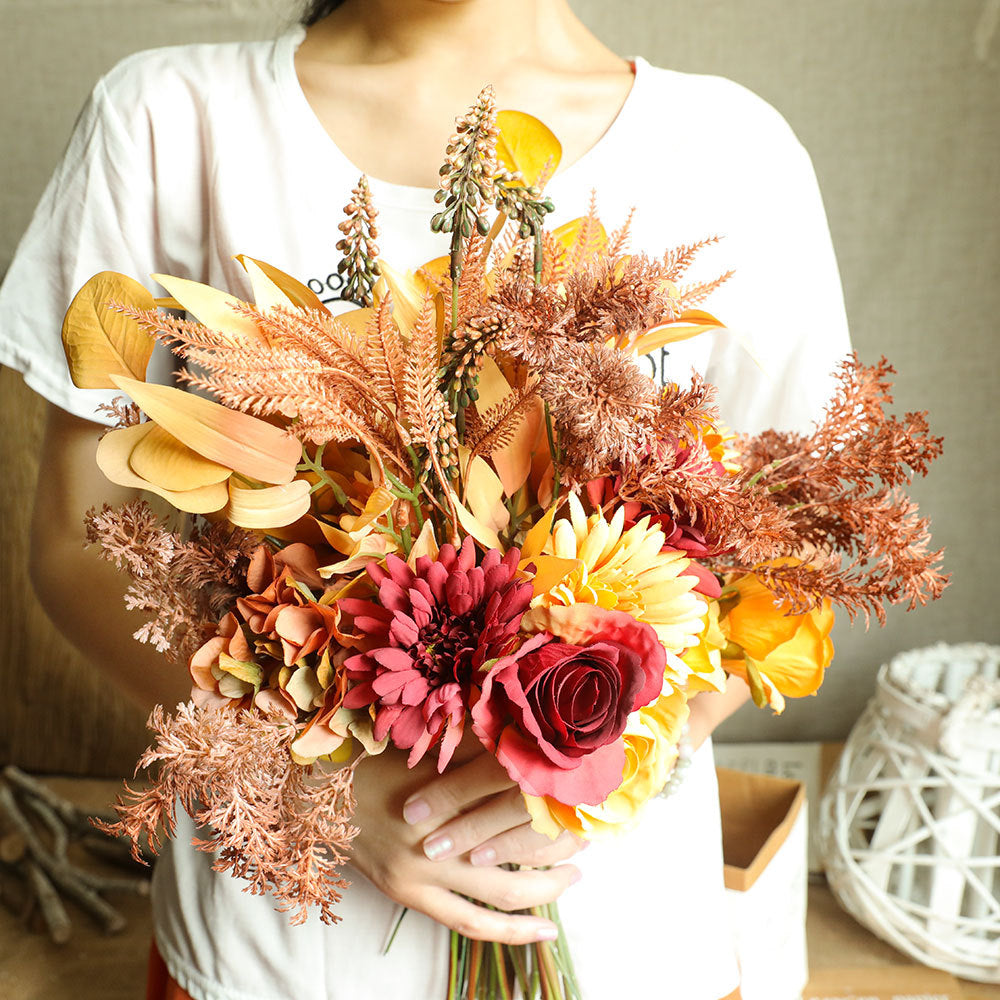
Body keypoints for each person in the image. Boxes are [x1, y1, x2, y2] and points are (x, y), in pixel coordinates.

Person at [0, 0, 851, 997]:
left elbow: (802, 547)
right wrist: (309, 777)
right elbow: (75, 540)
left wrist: (601, 756)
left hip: (624, 941)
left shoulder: (730, 149)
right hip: (276, 947)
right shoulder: (170, 119)